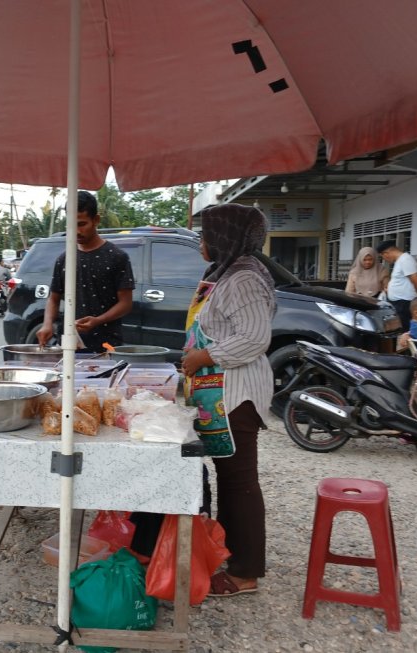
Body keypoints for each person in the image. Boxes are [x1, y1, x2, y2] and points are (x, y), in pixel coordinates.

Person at [180, 203, 275, 597]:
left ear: (227, 237)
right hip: (218, 391)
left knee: (238, 482)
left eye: (207, 234)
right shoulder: (226, 271)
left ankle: (244, 572)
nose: (201, 241)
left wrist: (202, 356)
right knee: (229, 478)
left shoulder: (243, 279)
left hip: (235, 395)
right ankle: (231, 553)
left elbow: (254, 337)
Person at [36, 190, 134, 351]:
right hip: (69, 345)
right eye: (71, 225)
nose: (77, 231)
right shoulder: (63, 259)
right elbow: (53, 299)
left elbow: (126, 303)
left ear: (96, 220)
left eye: (82, 224)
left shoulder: (117, 257)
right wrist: (47, 325)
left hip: (107, 345)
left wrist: (97, 320)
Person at [377, 240, 417, 330]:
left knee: (406, 331)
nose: (385, 260)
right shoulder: (400, 261)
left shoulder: (405, 259)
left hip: (405, 304)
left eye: (383, 257)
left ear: (386, 253)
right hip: (399, 304)